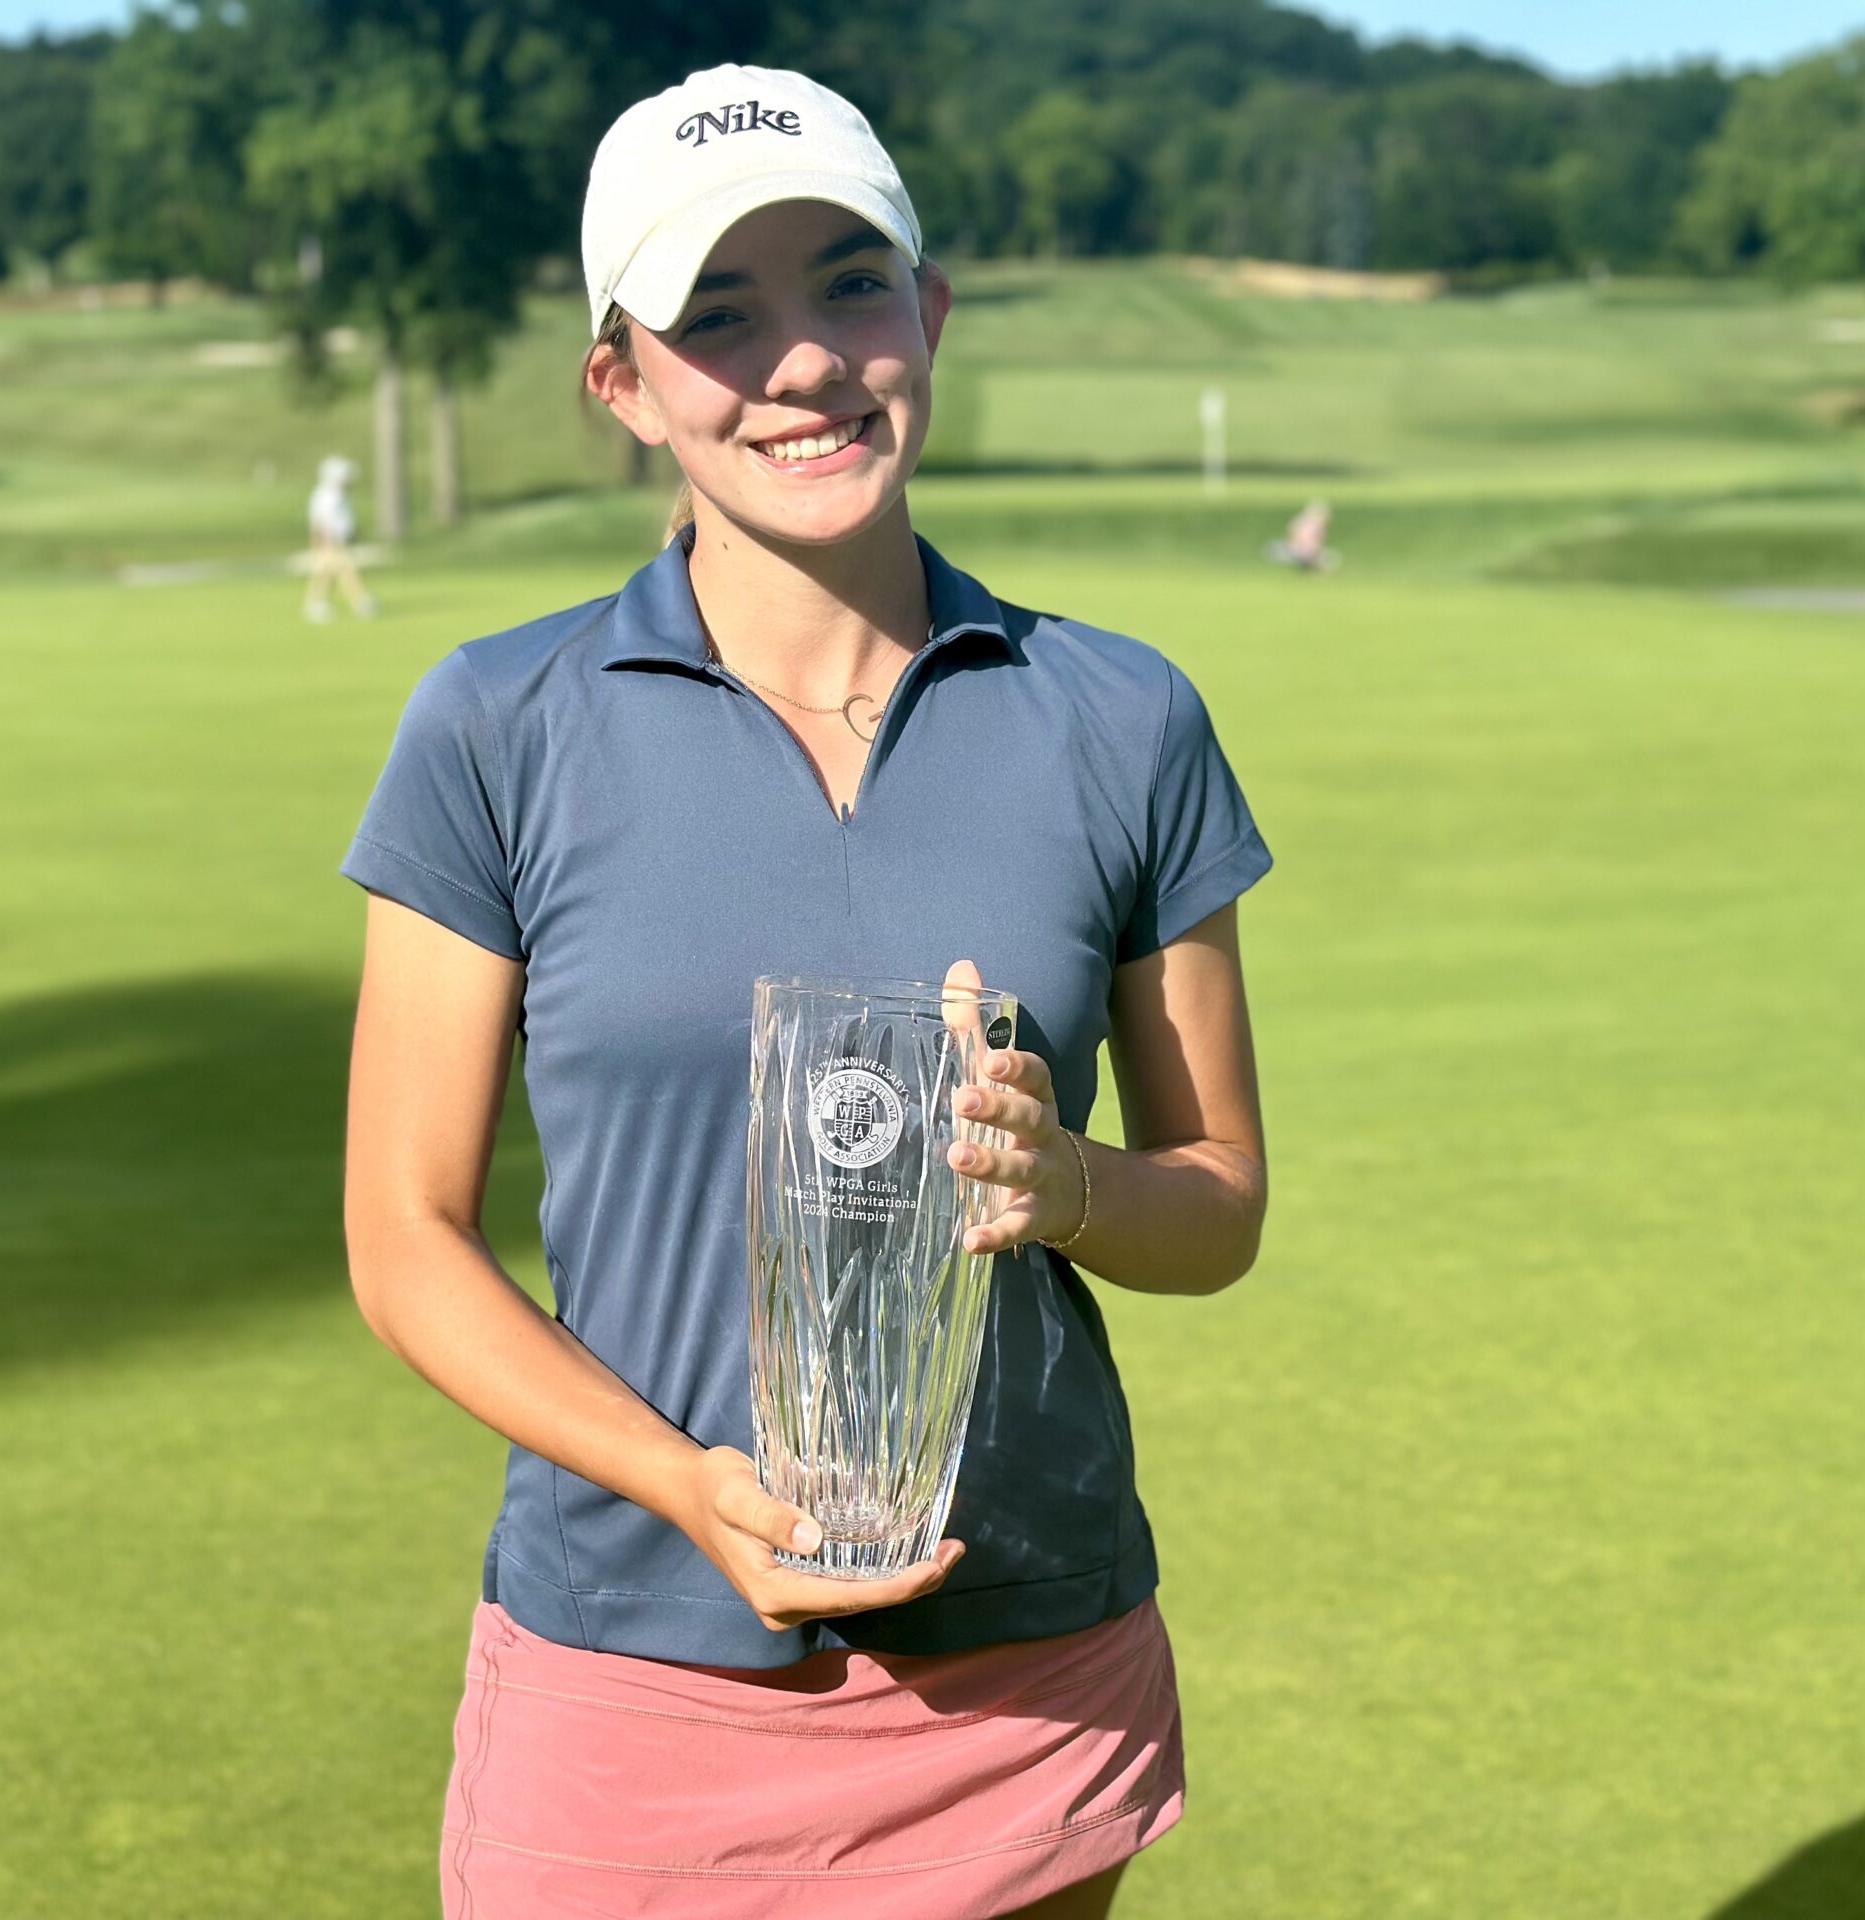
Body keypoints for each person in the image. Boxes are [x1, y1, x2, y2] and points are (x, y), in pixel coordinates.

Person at [342, 62, 1275, 1920]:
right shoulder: (496, 727)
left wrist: (1067, 1183)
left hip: (1024, 1669)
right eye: (719, 315)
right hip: (636, 1663)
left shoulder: (1121, 716)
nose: (803, 363)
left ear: (930, 312)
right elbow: (404, 1236)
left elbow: (1221, 1203)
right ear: (622, 381)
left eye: (851, 284)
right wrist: (688, 1489)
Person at [303, 454, 376, 621]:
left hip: (339, 539)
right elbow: (322, 520)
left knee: (327, 573)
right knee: (346, 569)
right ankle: (360, 601)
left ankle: (318, 603)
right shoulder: (326, 496)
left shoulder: (339, 495)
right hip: (330, 540)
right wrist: (325, 540)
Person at [1264, 497, 1339, 573]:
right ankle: (1311, 564)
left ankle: (1310, 563)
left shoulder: (1315, 527)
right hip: (1300, 550)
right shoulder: (1309, 525)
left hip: (1303, 551)